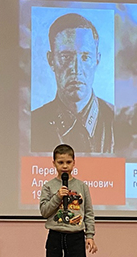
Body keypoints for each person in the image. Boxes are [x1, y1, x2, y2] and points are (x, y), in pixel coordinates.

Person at [32, 13, 114, 153]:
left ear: (97, 60)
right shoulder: (32, 124)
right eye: (66, 57)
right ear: (51, 60)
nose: (76, 69)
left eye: (85, 57)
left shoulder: (118, 121)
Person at [38, 144, 98, 257]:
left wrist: (90, 235)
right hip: (55, 238)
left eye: (68, 162)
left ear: (74, 163)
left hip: (76, 238)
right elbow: (44, 211)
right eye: (60, 162)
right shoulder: (49, 186)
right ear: (54, 163)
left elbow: (88, 213)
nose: (64, 166)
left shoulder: (82, 186)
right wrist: (57, 197)